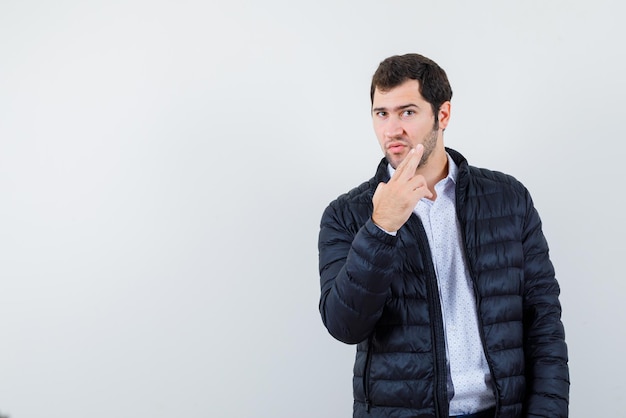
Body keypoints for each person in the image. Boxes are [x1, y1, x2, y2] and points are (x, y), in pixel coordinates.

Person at [317, 53, 569, 418]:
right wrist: (381, 228)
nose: (392, 129)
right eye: (381, 113)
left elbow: (544, 322)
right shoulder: (347, 215)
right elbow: (345, 325)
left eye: (407, 112)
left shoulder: (508, 198)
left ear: (443, 115)